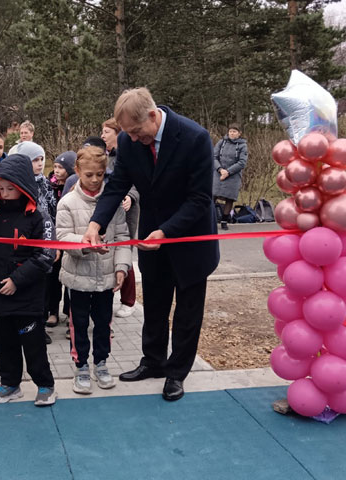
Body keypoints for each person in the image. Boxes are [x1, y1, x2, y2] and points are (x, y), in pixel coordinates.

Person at [82, 87, 219, 402]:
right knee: (155, 304)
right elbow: (117, 185)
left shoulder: (195, 138)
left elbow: (200, 199)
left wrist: (166, 232)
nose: (133, 138)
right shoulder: (131, 142)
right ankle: (153, 361)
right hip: (150, 239)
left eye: (137, 131)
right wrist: (95, 223)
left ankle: (177, 372)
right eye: (128, 134)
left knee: (187, 310)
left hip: (190, 238)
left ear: (154, 116)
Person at [0, 153, 57, 406]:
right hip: (0, 295)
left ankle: (45, 385)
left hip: (28, 298)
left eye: (11, 188)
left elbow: (45, 256)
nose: (5, 192)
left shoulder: (39, 217)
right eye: (0, 188)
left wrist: (17, 281)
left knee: (33, 345)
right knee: (4, 344)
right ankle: (10, 384)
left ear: (24, 187)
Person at [56, 146, 131, 394]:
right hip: (77, 279)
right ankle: (81, 366)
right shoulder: (67, 202)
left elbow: (122, 236)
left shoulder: (113, 203)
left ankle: (101, 363)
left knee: (103, 323)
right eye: (89, 174)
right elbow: (63, 237)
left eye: (100, 174)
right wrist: (86, 246)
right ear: (77, 172)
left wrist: (121, 267)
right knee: (78, 324)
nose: (95, 179)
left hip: (106, 278)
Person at [16, 140, 55, 344]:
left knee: (43, 287)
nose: (40, 164)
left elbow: (52, 209)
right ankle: (25, 327)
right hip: (25, 242)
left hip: (44, 241)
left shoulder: (45, 182)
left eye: (41, 159)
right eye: (34, 160)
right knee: (26, 286)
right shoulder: (20, 185)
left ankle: (40, 326)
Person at [101, 117, 140, 318]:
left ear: (117, 133)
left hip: (127, 212)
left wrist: (130, 197)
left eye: (106, 131)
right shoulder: (105, 156)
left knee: (125, 253)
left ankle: (129, 301)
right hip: (108, 211)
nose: (102, 135)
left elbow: (137, 180)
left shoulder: (130, 153)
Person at [45, 151, 76, 329]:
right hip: (53, 237)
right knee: (53, 276)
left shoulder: (74, 185)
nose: (56, 171)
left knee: (70, 276)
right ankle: (52, 311)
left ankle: (69, 311)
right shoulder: (49, 186)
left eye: (61, 167)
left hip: (69, 236)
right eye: (55, 167)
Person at [213, 123, 248, 230]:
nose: (232, 133)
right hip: (218, 172)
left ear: (239, 133)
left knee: (229, 199)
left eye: (234, 131)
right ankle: (209, 220)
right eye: (230, 131)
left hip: (233, 175)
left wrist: (228, 172)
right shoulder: (221, 142)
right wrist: (220, 169)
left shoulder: (243, 146)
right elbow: (214, 156)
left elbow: (242, 162)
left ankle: (224, 220)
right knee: (212, 196)